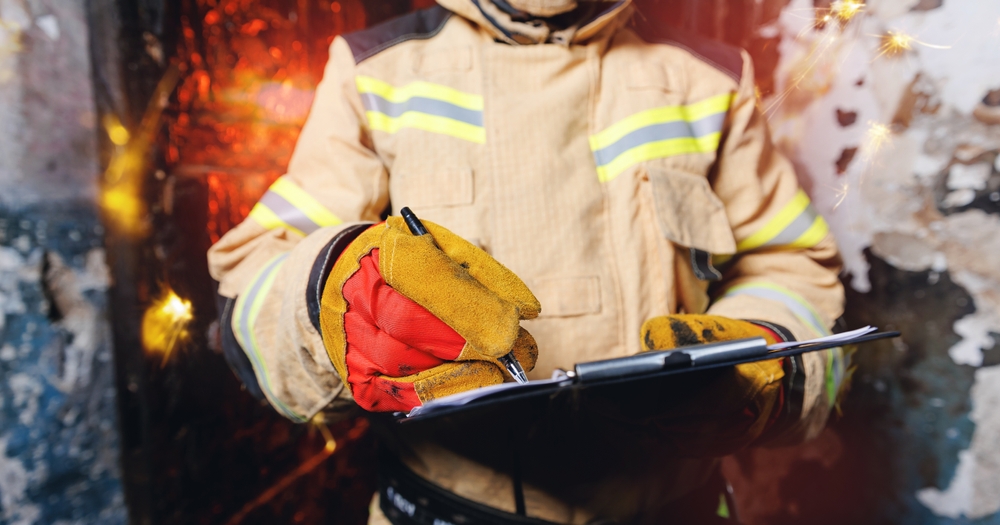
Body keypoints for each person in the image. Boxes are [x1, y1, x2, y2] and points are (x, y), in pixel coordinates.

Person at [208, 0, 846, 523]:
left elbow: (790, 264)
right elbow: (256, 275)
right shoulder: (375, 74)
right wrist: (332, 296)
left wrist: (761, 359)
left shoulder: (710, 81)